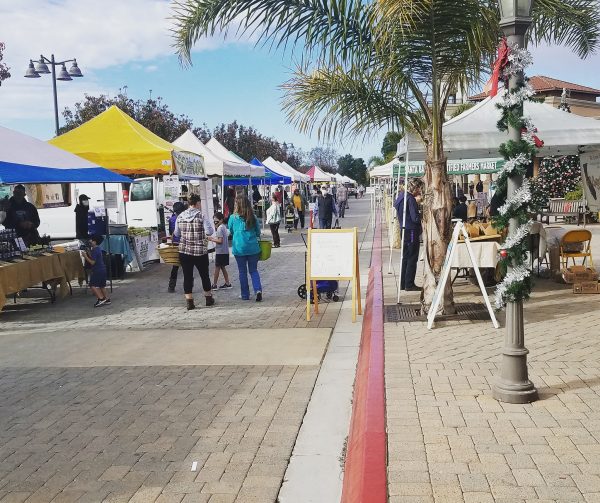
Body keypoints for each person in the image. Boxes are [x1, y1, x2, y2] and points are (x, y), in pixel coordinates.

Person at [174, 194, 214, 310]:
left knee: (187, 276)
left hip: (185, 251)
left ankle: (189, 301)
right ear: (197, 203)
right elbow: (209, 231)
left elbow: (176, 234)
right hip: (200, 251)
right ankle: (208, 298)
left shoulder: (180, 216)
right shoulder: (201, 215)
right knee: (204, 275)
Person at [228, 196, 263, 302]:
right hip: (253, 248)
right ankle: (258, 290)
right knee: (253, 270)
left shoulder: (233, 218)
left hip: (239, 248)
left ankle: (245, 294)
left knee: (242, 272)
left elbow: (231, 230)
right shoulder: (253, 216)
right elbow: (258, 232)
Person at [393, 179, 423, 291]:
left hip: (404, 229)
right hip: (411, 231)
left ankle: (403, 283)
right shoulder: (410, 199)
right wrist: (420, 214)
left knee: (405, 256)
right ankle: (409, 283)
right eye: (419, 188)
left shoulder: (401, 196)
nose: (419, 190)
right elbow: (415, 217)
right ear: (415, 188)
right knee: (412, 256)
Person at [83, 234, 111, 307]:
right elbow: (94, 257)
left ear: (95, 242)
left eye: (91, 240)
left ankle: (101, 299)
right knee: (102, 286)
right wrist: (89, 252)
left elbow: (92, 262)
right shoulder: (98, 248)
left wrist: (85, 256)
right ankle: (107, 299)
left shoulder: (95, 250)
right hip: (102, 269)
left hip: (97, 270)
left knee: (92, 285)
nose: (90, 241)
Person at [208, 211, 232, 290]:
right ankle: (227, 283)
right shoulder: (224, 227)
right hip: (224, 251)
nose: (215, 222)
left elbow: (220, 241)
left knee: (217, 268)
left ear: (221, 220)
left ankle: (214, 284)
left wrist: (211, 239)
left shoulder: (219, 228)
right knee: (222, 267)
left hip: (220, 252)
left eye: (216, 220)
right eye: (214, 221)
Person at [167, 202, 186, 293]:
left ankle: (171, 286)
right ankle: (188, 285)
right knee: (187, 266)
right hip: (185, 244)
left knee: (175, 266)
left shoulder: (171, 219)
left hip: (175, 244)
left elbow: (171, 232)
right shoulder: (185, 218)